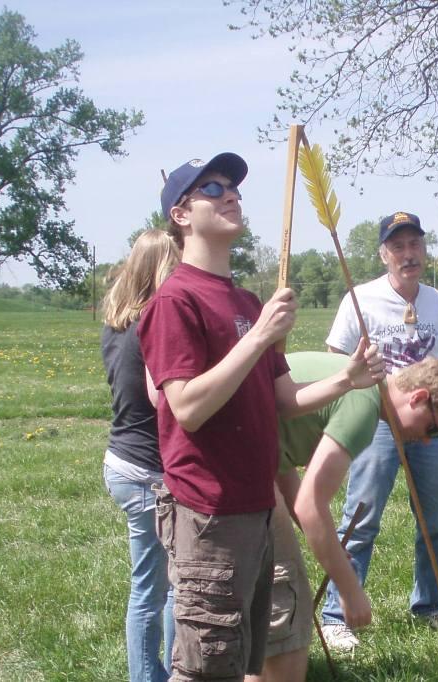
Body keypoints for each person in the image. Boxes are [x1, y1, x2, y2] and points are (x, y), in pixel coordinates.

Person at [137, 152, 385, 682]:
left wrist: (347, 379)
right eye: (213, 188)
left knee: (245, 661)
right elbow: (187, 409)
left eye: (235, 188)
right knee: (206, 668)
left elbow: (281, 399)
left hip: (257, 510)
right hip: (209, 516)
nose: (231, 194)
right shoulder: (175, 302)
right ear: (181, 215)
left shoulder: (246, 299)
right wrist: (258, 336)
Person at [320, 210, 438, 650]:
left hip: (427, 425)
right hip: (378, 421)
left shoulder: (436, 302)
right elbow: (336, 361)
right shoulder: (359, 299)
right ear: (384, 253)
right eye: (399, 246)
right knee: (360, 519)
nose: (409, 254)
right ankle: (337, 614)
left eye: (415, 245)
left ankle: (429, 605)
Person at [256, 352, 438, 682]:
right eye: (432, 429)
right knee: (284, 610)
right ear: (418, 397)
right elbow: (310, 506)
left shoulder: (366, 390)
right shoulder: (363, 404)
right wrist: (349, 588)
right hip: (225, 467)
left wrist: (329, 549)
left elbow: (279, 461)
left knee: (258, 611)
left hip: (233, 461)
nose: (427, 440)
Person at [101, 229, 181, 682]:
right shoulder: (153, 322)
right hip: (148, 470)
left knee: (153, 585)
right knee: (161, 589)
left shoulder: (115, 323)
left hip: (121, 459)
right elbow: (161, 397)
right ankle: (154, 676)